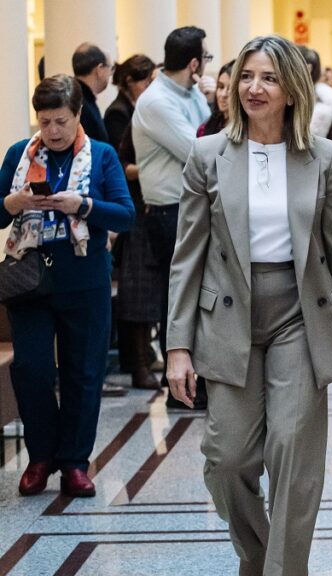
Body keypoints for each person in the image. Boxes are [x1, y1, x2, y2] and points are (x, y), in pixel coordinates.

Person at [166, 35, 332, 576]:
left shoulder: (321, 157)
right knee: (227, 460)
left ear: (292, 91)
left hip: (300, 316)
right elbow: (187, 257)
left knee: (293, 451)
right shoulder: (207, 154)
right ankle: (257, 555)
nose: (254, 88)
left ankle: (285, 570)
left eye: (269, 78)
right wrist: (177, 346)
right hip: (226, 316)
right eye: (247, 77)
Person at [0, 75, 134, 497]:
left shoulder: (103, 156)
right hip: (29, 279)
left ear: (78, 115)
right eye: (44, 121)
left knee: (83, 371)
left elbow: (125, 215)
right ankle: (41, 456)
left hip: (84, 277)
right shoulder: (19, 155)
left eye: (61, 121)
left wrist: (85, 206)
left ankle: (74, 462)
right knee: (31, 369)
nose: (52, 131)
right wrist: (13, 203)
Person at [132, 25, 214, 410]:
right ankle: (180, 390)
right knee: (178, 296)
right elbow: (199, 151)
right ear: (195, 63)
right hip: (168, 211)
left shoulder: (191, 91)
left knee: (198, 295)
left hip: (190, 206)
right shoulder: (156, 102)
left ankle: (199, 381)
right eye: (206, 58)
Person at [104, 54, 160, 391]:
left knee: (142, 288)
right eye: (146, 80)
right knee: (137, 288)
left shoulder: (136, 110)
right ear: (130, 82)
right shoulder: (120, 114)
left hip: (139, 204)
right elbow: (121, 161)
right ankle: (136, 363)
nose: (151, 87)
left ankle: (141, 359)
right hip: (133, 207)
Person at [72, 43, 113, 142]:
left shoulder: (75, 96)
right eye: (109, 68)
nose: (110, 74)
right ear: (99, 69)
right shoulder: (82, 103)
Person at [197, 61, 234, 137]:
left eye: (230, 89)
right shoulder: (204, 129)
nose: (223, 94)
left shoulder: (251, 131)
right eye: (221, 87)